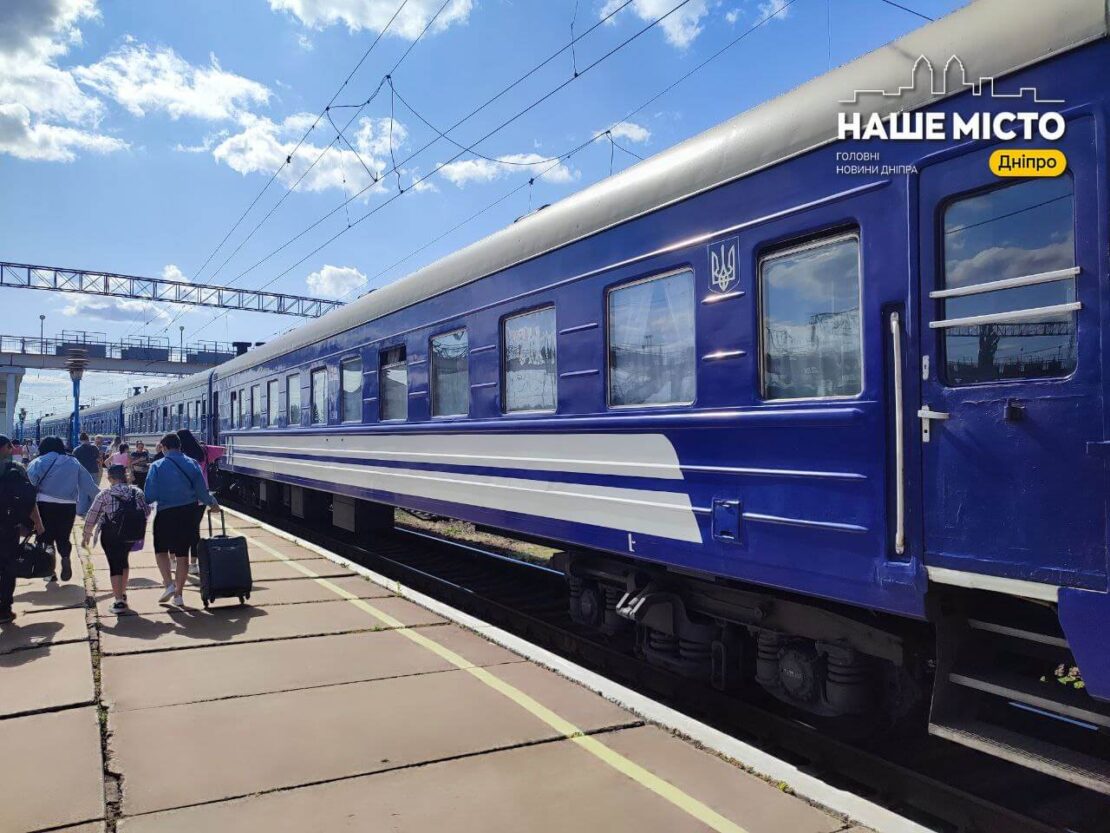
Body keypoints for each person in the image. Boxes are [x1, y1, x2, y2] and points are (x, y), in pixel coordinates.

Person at [144, 432, 218, 607]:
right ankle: (178, 595)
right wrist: (213, 503)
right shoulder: (192, 463)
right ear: (179, 446)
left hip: (165, 513)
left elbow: (149, 496)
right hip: (188, 513)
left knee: (161, 551)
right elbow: (202, 492)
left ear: (164, 447)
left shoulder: (157, 466)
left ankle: (169, 584)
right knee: (183, 554)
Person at [27, 436, 99, 583]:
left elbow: (30, 483)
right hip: (68, 506)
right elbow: (88, 485)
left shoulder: (38, 461)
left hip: (44, 504)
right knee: (63, 536)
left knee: (45, 537)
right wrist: (103, 498)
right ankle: (65, 556)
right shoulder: (73, 462)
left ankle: (49, 571)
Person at [82, 464, 149, 614]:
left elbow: (92, 514)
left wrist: (87, 533)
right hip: (130, 534)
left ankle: (118, 601)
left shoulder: (105, 494)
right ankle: (122, 592)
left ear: (110, 478)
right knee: (123, 561)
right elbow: (146, 511)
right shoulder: (137, 492)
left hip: (110, 534)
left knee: (114, 565)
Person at [0, 435, 45, 624]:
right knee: (7, 567)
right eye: (9, 446)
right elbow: (29, 499)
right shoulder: (16, 469)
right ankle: (4, 610)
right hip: (8, 526)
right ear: (5, 448)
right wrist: (38, 523)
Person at [177, 429, 208, 572]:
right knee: (195, 530)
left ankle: (180, 562)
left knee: (182, 530)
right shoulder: (203, 452)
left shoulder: (181, 456)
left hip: (184, 497)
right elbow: (221, 450)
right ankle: (194, 564)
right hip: (201, 496)